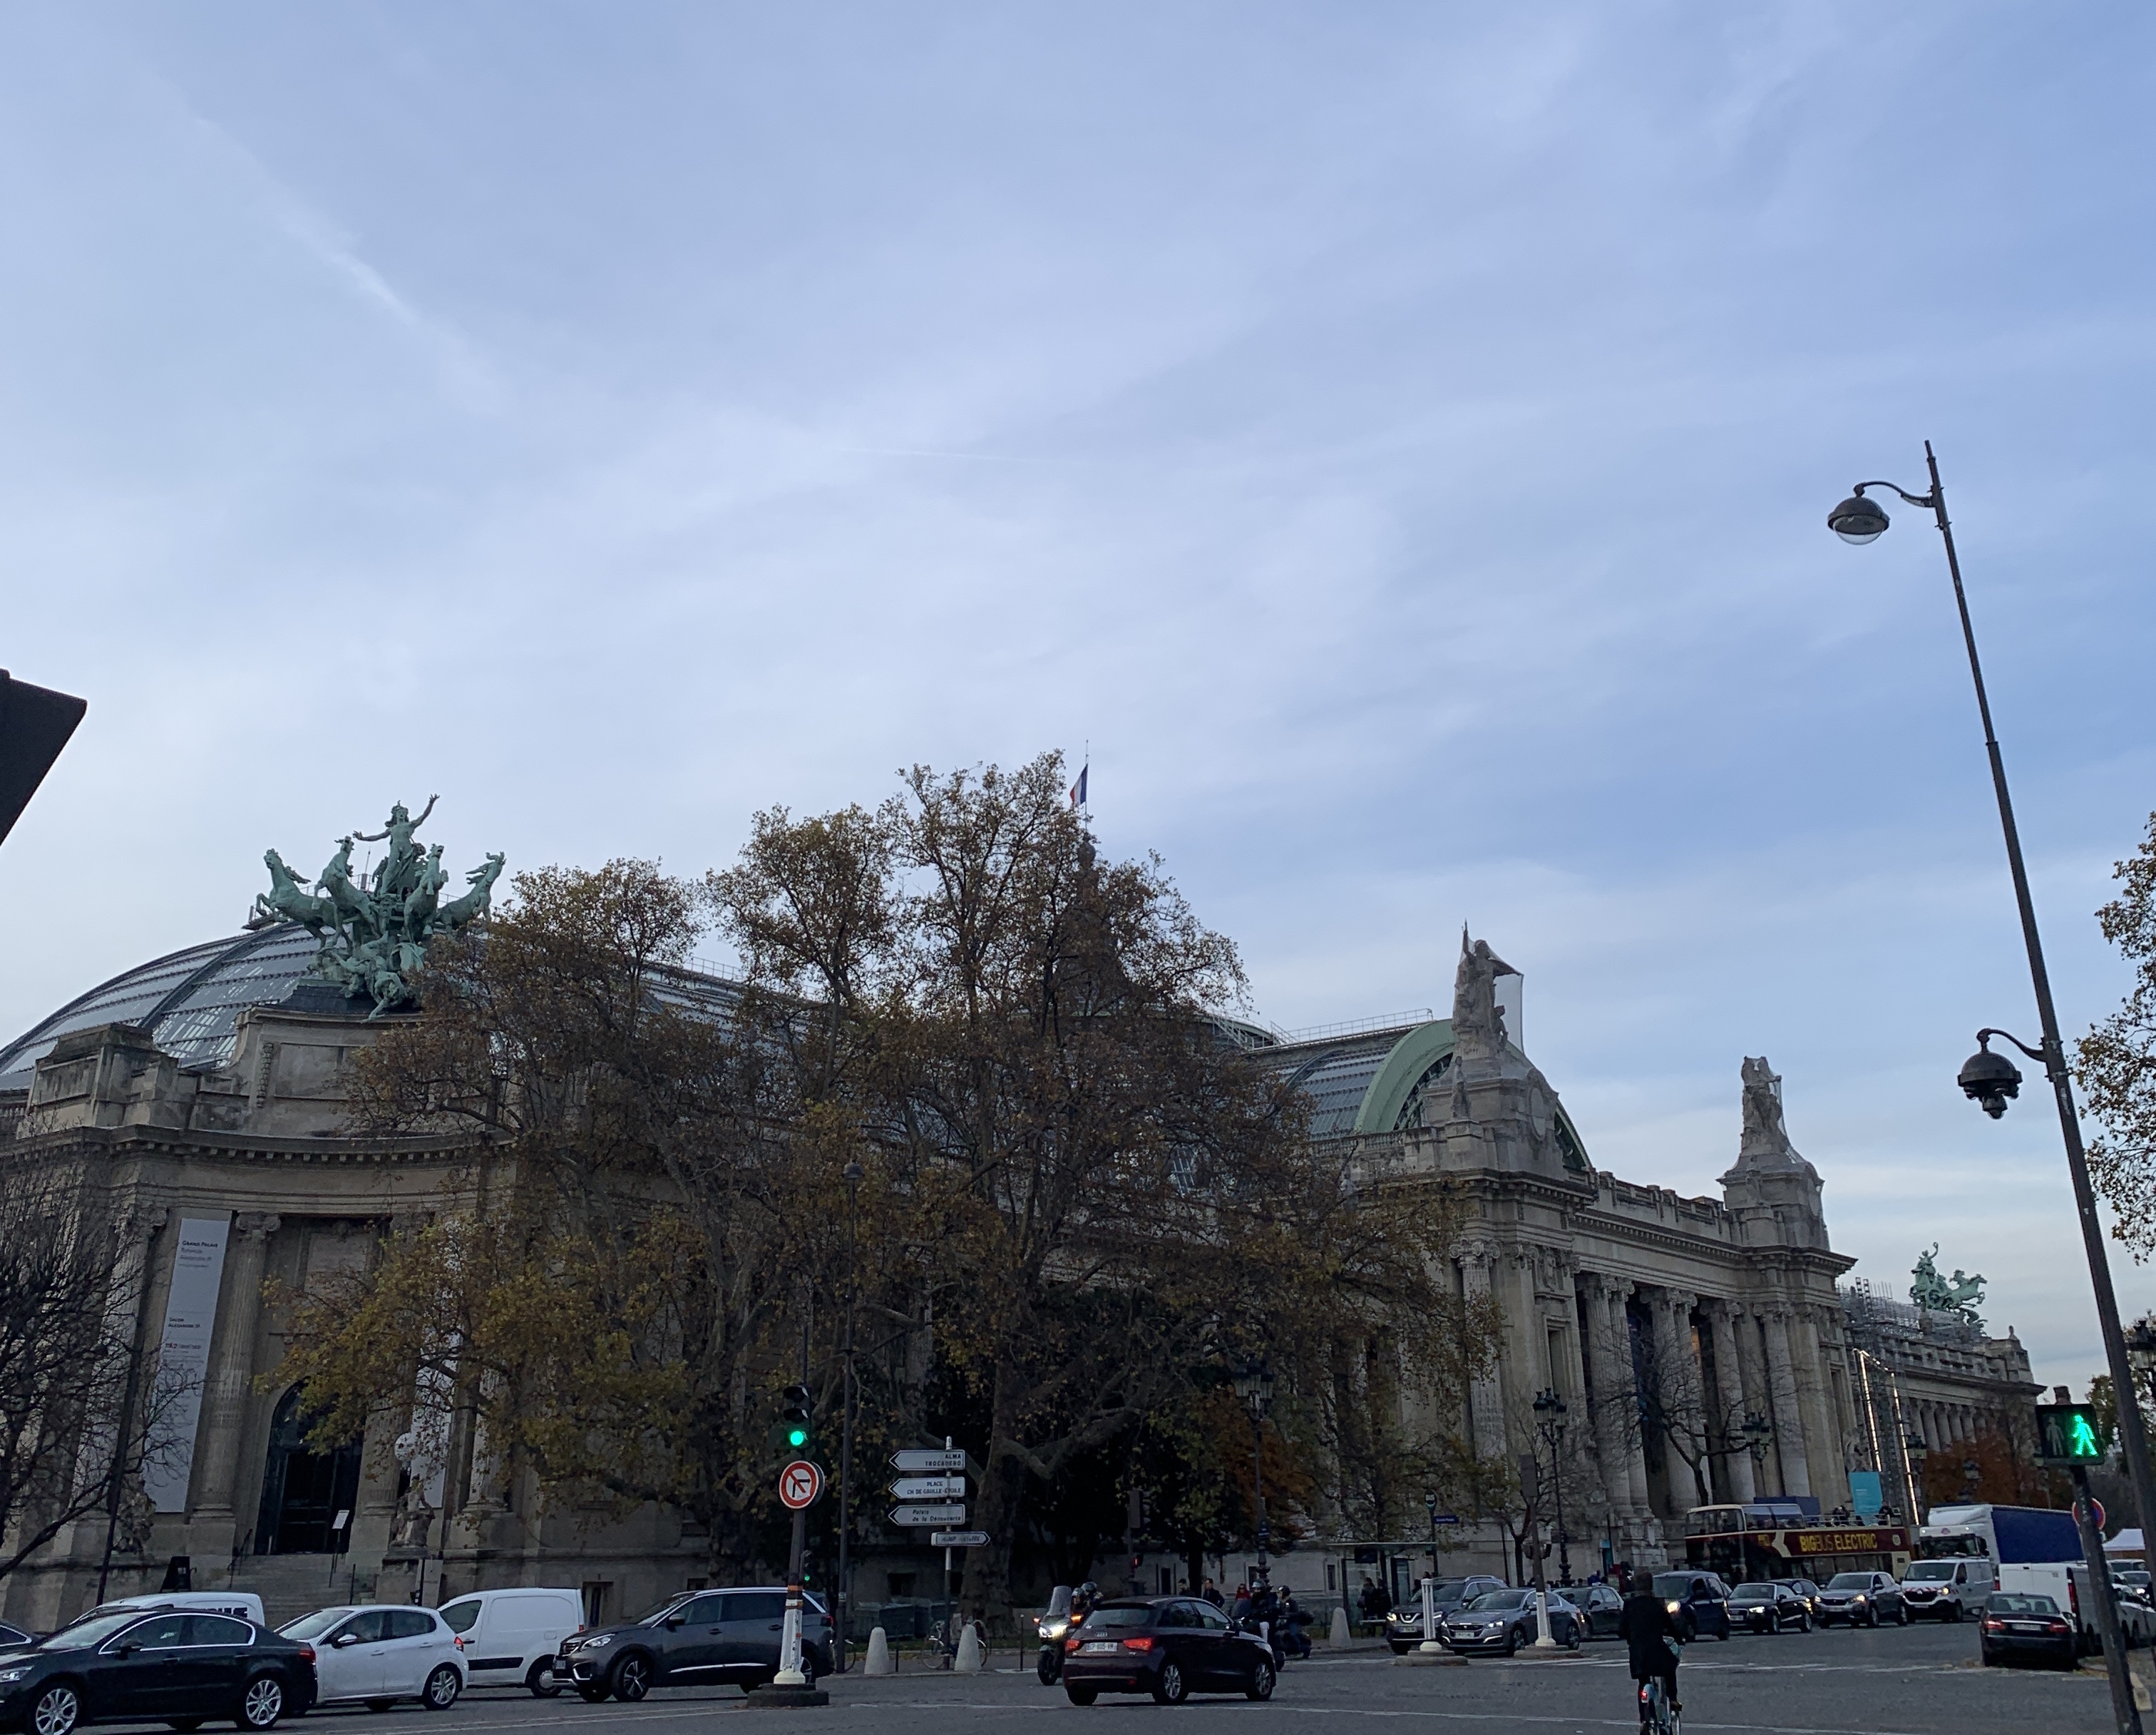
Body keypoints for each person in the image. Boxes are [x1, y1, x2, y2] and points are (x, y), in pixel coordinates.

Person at [1618, 1585, 1680, 1726]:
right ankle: (1673, 1699)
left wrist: (1632, 1640)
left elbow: (1621, 1630)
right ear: (1651, 1587)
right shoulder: (1657, 1604)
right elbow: (1670, 1626)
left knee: (1643, 1682)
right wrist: (1679, 1639)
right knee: (1671, 1666)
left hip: (1638, 1654)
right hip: (1656, 1652)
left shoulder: (1629, 1605)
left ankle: (1644, 1720)